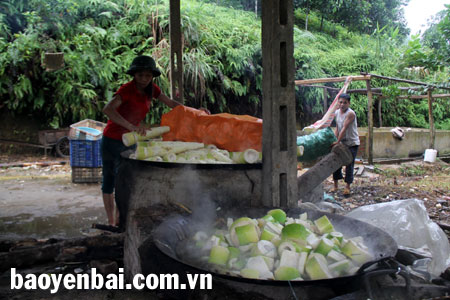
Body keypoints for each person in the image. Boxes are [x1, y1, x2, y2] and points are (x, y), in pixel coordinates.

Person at [100, 55, 208, 226]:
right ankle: (111, 222)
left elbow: (172, 103)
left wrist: (195, 111)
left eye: (148, 76)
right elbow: (108, 109)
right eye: (140, 75)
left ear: (152, 76)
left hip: (131, 139)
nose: (144, 79)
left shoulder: (153, 90)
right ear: (134, 74)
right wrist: (130, 126)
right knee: (109, 180)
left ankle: (122, 219)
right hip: (112, 139)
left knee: (125, 179)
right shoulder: (126, 90)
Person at [331, 93, 359, 195]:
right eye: (340, 102)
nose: (342, 104)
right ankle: (335, 186)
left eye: (345, 103)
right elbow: (338, 128)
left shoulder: (350, 114)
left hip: (352, 143)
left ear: (349, 103)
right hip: (341, 142)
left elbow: (344, 128)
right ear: (338, 102)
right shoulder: (337, 113)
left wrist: (337, 141)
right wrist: (334, 139)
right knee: (335, 162)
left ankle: (347, 187)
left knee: (349, 164)